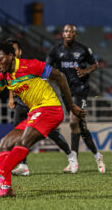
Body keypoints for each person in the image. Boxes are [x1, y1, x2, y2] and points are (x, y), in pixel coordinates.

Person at [0, 41, 85, 198]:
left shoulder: (31, 65)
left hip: (50, 109)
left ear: (10, 56)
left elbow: (60, 76)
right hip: (35, 112)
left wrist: (71, 106)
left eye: (0, 59)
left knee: (23, 141)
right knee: (4, 144)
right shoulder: (4, 76)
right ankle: (6, 189)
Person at [6, 38, 78, 176]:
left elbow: (51, 76)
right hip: (22, 104)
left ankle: (71, 156)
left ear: (20, 51)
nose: (12, 53)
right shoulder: (9, 69)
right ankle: (23, 166)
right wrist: (10, 97)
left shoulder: (29, 65)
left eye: (14, 49)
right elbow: (11, 83)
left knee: (53, 134)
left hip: (39, 105)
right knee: (18, 133)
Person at [46, 24, 105, 173]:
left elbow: (95, 64)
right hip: (66, 92)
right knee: (81, 127)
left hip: (81, 91)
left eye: (72, 31)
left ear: (75, 35)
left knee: (73, 121)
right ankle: (98, 156)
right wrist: (54, 79)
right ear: (62, 34)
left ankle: (74, 161)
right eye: (66, 31)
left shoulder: (82, 49)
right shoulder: (56, 50)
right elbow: (47, 68)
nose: (69, 33)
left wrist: (85, 71)